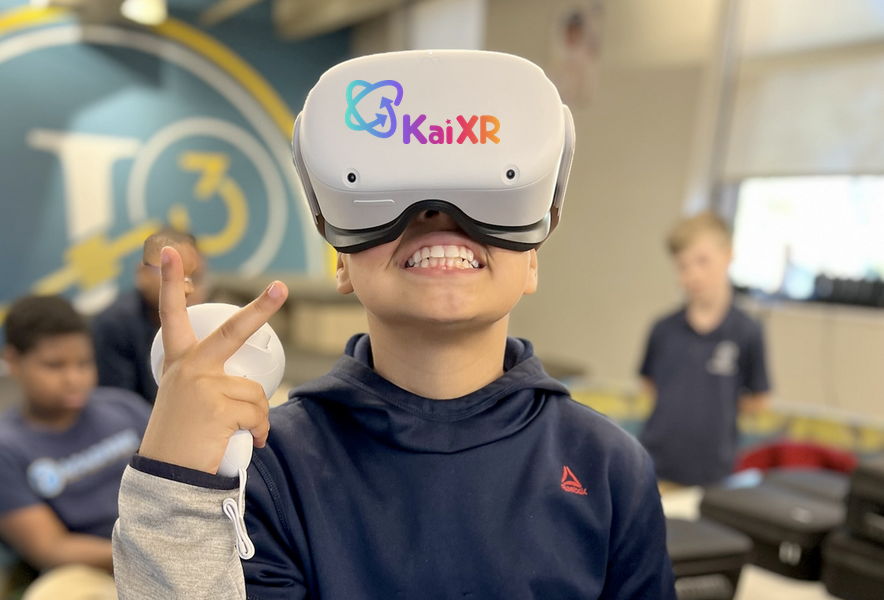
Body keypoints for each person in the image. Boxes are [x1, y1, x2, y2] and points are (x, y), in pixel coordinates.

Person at [112, 50, 675, 599]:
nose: (439, 215)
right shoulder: (269, 466)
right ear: (341, 263)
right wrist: (175, 490)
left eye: (485, 194)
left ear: (531, 259)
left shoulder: (607, 465)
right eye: (389, 197)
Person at [0, 295, 150, 600]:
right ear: (14, 361)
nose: (74, 379)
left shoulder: (125, 407)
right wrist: (144, 556)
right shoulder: (8, 448)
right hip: (95, 568)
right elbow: (50, 547)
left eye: (84, 363)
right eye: (54, 366)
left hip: (170, 539)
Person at [638, 211, 771, 489]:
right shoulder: (662, 329)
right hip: (655, 463)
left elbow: (758, 398)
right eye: (683, 266)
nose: (692, 274)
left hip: (713, 472)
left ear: (727, 255)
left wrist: (715, 407)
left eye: (702, 261)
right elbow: (649, 383)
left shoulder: (747, 331)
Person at [91, 227, 206, 404]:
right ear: (142, 272)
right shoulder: (113, 325)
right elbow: (122, 407)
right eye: (173, 275)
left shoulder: (206, 319)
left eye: (195, 278)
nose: (187, 287)